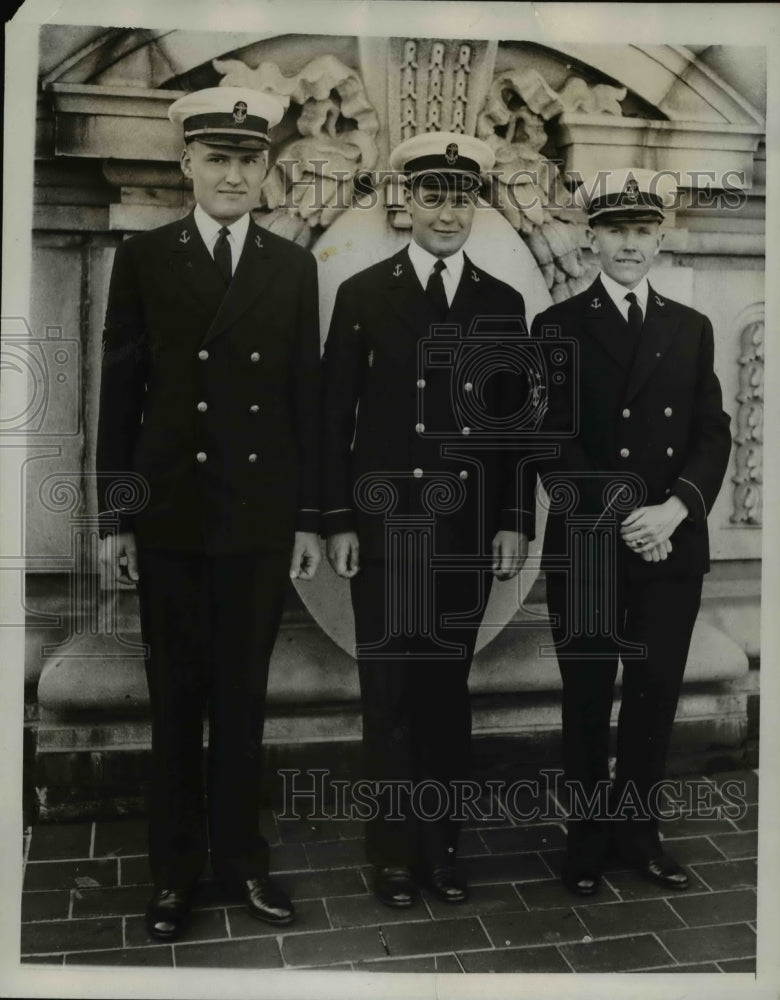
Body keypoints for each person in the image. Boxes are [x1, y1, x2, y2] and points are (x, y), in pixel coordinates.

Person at [96, 87, 321, 940]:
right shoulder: (146, 257)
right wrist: (116, 520)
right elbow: (121, 394)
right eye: (218, 157)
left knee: (244, 699)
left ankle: (243, 861)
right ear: (187, 163)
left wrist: (306, 518)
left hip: (259, 520)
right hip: (172, 517)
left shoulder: (290, 267)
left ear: (266, 168)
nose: (234, 173)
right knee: (175, 700)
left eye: (248, 158)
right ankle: (173, 874)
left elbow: (305, 397)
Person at [321, 132, 536, 908]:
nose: (448, 212)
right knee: (389, 695)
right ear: (404, 201)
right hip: (383, 532)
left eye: (462, 196)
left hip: (465, 534)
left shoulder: (500, 304)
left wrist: (514, 519)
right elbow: (331, 418)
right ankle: (392, 854)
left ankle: (443, 848)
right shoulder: (363, 295)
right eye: (433, 195)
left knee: (447, 692)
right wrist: (337, 520)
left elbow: (516, 429)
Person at [534, 168, 731, 896]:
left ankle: (640, 834)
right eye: (615, 230)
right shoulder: (555, 328)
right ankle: (587, 841)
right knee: (585, 692)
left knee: (654, 692)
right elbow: (551, 442)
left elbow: (713, 433)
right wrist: (624, 518)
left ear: (660, 238)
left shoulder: (691, 327)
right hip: (590, 544)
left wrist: (675, 509)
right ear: (591, 238)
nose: (629, 244)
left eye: (642, 231)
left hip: (671, 541)